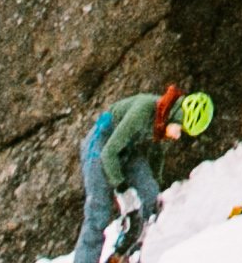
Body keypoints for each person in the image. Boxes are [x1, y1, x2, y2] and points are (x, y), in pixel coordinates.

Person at [69, 83, 211, 259]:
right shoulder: (144, 110)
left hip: (126, 148)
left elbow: (157, 154)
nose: (178, 135)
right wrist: (122, 189)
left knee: (149, 194)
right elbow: (109, 153)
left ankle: (126, 253)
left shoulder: (163, 122)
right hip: (101, 142)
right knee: (99, 212)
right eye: (181, 129)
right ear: (177, 117)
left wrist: (156, 188)